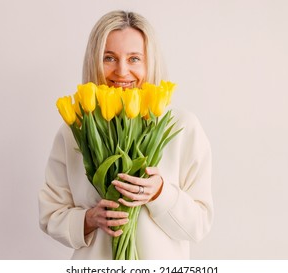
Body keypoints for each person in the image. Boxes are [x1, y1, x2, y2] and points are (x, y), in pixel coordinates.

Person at [39, 10, 213, 259]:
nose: (122, 72)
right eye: (109, 58)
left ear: (149, 62)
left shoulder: (183, 127)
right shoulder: (74, 130)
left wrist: (161, 194)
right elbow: (50, 214)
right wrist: (88, 219)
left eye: (134, 59)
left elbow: (200, 224)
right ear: (94, 62)